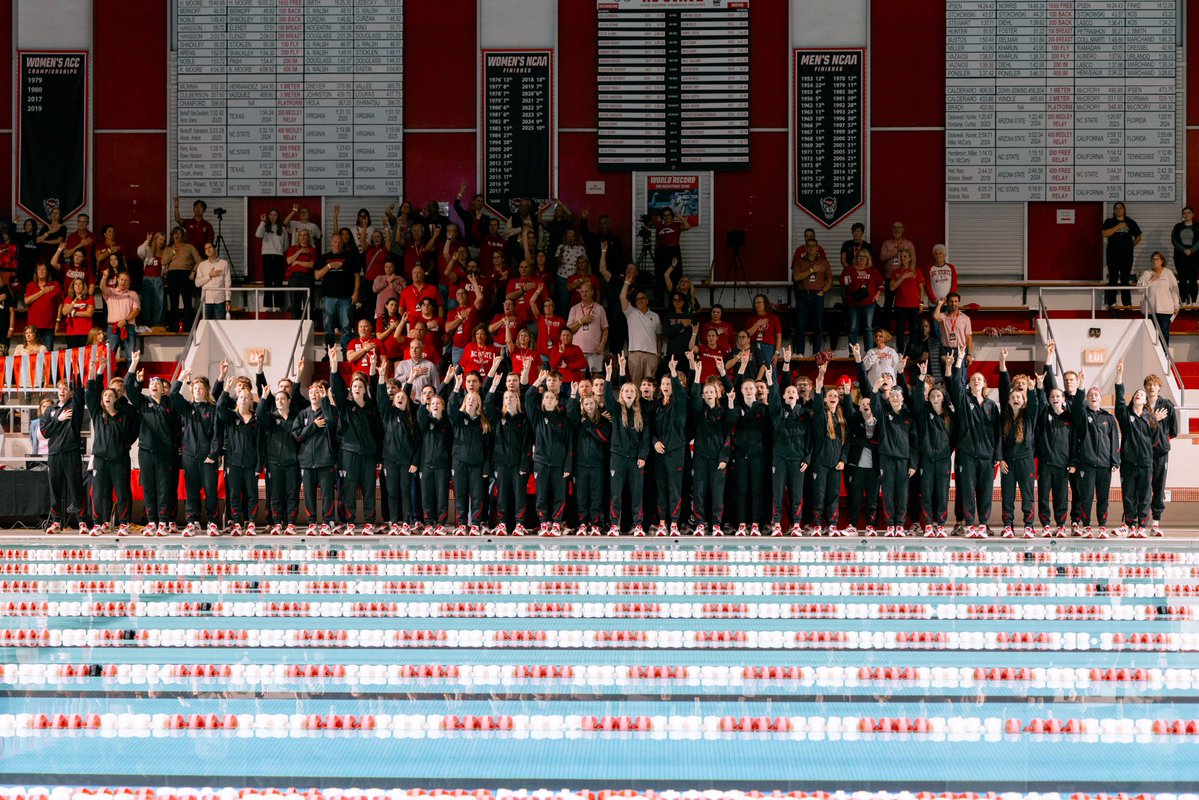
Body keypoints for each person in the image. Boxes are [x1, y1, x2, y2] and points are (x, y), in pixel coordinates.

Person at [327, 346, 382, 534]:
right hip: (348, 454)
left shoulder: (371, 407)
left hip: (368, 454)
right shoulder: (345, 406)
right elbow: (335, 388)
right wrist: (334, 364)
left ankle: (369, 522)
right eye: (355, 386)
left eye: (361, 386)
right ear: (351, 388)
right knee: (348, 489)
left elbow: (376, 388)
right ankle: (349, 521)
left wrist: (373, 366)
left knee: (369, 490)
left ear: (365, 389)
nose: (358, 388)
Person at [948, 348, 1000, 538]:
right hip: (967, 454)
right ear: (969, 384)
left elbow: (997, 433)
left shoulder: (991, 405)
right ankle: (970, 524)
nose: (976, 381)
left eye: (979, 379)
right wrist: (960, 360)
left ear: (984, 384)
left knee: (986, 492)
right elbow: (955, 383)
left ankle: (983, 525)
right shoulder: (963, 401)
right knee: (967, 490)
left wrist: (997, 455)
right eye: (973, 379)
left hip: (986, 455)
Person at [126, 352, 177, 536]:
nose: (154, 385)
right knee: (149, 488)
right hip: (146, 452)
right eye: (151, 383)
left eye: (158, 384)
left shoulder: (170, 405)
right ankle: (152, 522)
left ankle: (163, 521)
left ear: (164, 389)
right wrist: (134, 364)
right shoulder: (143, 403)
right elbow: (128, 387)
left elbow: (177, 429)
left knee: (164, 489)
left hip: (165, 453)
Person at [82, 351, 133, 535]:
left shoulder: (124, 415)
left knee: (122, 493)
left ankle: (124, 524)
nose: (108, 397)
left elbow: (133, 433)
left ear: (116, 399)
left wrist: (123, 447)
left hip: (119, 460)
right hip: (100, 459)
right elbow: (91, 392)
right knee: (98, 493)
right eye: (106, 395)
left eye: (112, 395)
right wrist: (98, 369)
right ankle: (97, 523)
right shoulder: (98, 414)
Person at [172, 363, 224, 537]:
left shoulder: (213, 410)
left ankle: (212, 522)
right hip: (189, 456)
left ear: (206, 391)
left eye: (201, 388)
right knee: (192, 491)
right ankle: (192, 522)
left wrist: (213, 454)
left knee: (210, 492)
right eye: (195, 388)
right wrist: (181, 377)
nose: (197, 391)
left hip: (207, 458)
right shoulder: (188, 409)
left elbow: (218, 435)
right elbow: (172, 394)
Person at [1069, 371, 1120, 538]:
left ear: (1101, 398)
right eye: (1090, 395)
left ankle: (1102, 526)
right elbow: (1076, 405)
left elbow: (1114, 440)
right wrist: (1082, 383)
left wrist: (1115, 460)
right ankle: (1087, 526)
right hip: (1087, 463)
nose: (1093, 397)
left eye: (1096, 395)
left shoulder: (1109, 418)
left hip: (1105, 464)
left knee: (1103, 497)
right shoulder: (1083, 416)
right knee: (1086, 496)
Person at [766, 348, 810, 537]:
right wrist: (774, 375)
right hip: (779, 457)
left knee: (797, 494)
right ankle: (777, 524)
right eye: (788, 391)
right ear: (785, 397)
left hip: (798, 459)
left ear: (798, 396)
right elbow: (774, 392)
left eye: (794, 391)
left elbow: (810, 439)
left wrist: (807, 458)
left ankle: (797, 524)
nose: (791, 392)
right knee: (777, 493)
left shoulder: (804, 414)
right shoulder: (778, 412)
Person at [997, 348, 1040, 538]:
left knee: (1027, 495)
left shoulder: (1029, 415)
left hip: (1025, 460)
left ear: (1024, 401)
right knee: (1007, 495)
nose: (1016, 398)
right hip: (1007, 461)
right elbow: (1004, 385)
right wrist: (1000, 458)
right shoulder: (1004, 416)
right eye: (1013, 396)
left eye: (1019, 397)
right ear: (1009, 399)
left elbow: (1035, 404)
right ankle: (1008, 525)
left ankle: (1028, 525)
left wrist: (1031, 388)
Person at [1114, 361, 1159, 539]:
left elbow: (1155, 441)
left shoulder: (1151, 419)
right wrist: (1119, 375)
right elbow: (1119, 398)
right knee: (1129, 495)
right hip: (1128, 463)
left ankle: (1142, 525)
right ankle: (1130, 524)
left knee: (1145, 495)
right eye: (1137, 394)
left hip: (1146, 463)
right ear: (1133, 399)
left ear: (1146, 400)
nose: (1140, 395)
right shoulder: (1125, 415)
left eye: (1142, 394)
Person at [526, 369, 573, 535]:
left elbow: (569, 444)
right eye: (546, 397)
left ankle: (557, 523)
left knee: (559, 495)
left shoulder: (563, 420)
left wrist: (567, 465)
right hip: (541, 462)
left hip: (559, 464)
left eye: (551, 397)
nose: (548, 399)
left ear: (557, 400)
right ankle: (544, 523)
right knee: (541, 495)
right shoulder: (537, 417)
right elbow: (528, 398)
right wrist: (537, 382)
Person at [729, 351, 770, 534]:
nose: (748, 391)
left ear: (756, 391)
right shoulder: (737, 408)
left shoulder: (763, 409)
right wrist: (743, 365)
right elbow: (730, 421)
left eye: (751, 388)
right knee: (741, 491)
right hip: (741, 454)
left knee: (757, 491)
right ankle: (742, 524)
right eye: (745, 388)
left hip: (758, 455)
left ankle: (755, 524)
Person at [487, 372, 533, 535]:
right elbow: (487, 405)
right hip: (501, 463)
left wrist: (524, 464)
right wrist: (493, 386)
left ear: (517, 400)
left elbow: (528, 444)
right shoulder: (499, 417)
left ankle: (520, 523)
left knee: (520, 495)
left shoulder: (523, 419)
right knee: (502, 495)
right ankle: (502, 523)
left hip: (518, 464)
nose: (509, 400)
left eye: (512, 398)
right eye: (506, 398)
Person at [40, 368, 85, 534]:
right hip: (54, 455)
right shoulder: (50, 411)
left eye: (65, 388)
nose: (62, 391)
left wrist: (76, 374)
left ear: (70, 392)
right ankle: (56, 521)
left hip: (71, 453)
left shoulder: (75, 406)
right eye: (59, 388)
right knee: (55, 489)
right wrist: (58, 420)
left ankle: (81, 521)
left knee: (75, 487)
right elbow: (45, 433)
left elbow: (80, 392)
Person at [912, 359, 953, 537]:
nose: (935, 398)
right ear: (928, 397)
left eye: (938, 395)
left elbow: (954, 436)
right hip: (926, 460)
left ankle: (940, 524)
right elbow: (916, 397)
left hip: (943, 460)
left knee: (942, 494)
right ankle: (928, 524)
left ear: (943, 398)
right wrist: (921, 377)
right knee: (927, 493)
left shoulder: (949, 416)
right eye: (932, 396)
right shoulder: (923, 412)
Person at [1037, 343, 1073, 538]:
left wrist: (1072, 461)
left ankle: (1061, 525)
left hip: (1062, 464)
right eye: (1052, 396)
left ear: (1063, 398)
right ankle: (1046, 526)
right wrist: (1049, 359)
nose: (1055, 398)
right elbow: (1046, 388)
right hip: (1045, 463)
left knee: (1061, 497)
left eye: (1058, 396)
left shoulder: (1069, 417)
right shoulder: (1044, 413)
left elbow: (1075, 441)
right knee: (1043, 497)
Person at [215, 381, 259, 536]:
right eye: (240, 397)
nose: (243, 400)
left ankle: (252, 522)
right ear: (237, 400)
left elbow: (260, 444)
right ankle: (236, 523)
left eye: (246, 397)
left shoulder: (256, 420)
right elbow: (219, 408)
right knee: (233, 494)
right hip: (233, 462)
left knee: (252, 494)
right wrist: (226, 389)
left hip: (250, 463)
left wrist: (259, 464)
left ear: (251, 401)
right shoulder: (231, 417)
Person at [294, 378, 337, 536]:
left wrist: (326, 400)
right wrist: (313, 426)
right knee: (309, 495)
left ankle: (326, 522)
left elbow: (333, 425)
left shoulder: (328, 412)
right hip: (306, 462)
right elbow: (297, 436)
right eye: (311, 392)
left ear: (321, 394)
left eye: (317, 392)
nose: (313, 394)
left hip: (325, 460)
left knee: (327, 494)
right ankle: (312, 522)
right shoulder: (302, 414)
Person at [256, 382, 300, 535]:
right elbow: (259, 414)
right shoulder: (270, 418)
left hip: (292, 463)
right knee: (275, 495)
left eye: (283, 399)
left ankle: (291, 523)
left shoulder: (297, 418)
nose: (279, 401)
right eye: (277, 399)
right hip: (274, 463)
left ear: (289, 401)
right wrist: (263, 397)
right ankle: (277, 523)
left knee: (292, 494)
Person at [448, 372, 489, 533]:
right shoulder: (458, 419)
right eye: (469, 399)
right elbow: (451, 406)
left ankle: (476, 524)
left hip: (477, 464)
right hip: (459, 462)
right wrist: (457, 386)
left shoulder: (483, 423)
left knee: (477, 496)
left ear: (479, 404)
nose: (471, 401)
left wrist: (485, 466)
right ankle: (462, 524)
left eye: (475, 399)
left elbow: (487, 447)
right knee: (461, 494)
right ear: (465, 402)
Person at [571, 391, 611, 535]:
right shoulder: (578, 421)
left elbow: (603, 438)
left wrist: (588, 425)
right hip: (581, 465)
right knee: (581, 496)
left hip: (597, 465)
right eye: (586, 404)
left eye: (591, 403)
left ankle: (595, 523)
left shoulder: (603, 421)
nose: (589, 406)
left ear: (596, 404)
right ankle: (582, 523)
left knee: (596, 496)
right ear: (582, 406)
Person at [416, 385, 453, 532]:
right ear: (429, 407)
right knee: (426, 496)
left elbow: (450, 446)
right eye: (433, 403)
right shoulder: (425, 421)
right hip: (426, 465)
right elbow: (420, 415)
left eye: (438, 403)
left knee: (442, 496)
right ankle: (429, 523)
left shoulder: (447, 424)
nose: (435, 405)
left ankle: (441, 524)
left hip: (442, 465)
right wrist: (424, 403)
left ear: (443, 407)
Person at [316, 236, 358, 351]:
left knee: (346, 327)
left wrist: (356, 293)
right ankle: (329, 351)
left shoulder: (350, 257)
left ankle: (346, 351)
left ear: (342, 244)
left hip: (346, 297)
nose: (337, 244)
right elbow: (317, 275)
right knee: (328, 327)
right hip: (328, 297)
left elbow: (357, 276)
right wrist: (330, 266)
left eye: (339, 242)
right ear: (331, 243)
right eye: (335, 242)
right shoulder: (324, 258)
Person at [792, 243, 832, 356]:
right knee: (800, 325)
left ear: (817, 248)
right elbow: (796, 277)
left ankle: (816, 352)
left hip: (817, 295)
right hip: (803, 294)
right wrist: (811, 270)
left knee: (818, 325)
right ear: (806, 248)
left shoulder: (823, 262)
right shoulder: (799, 261)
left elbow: (830, 280)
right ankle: (800, 352)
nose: (811, 248)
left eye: (813, 246)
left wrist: (823, 291)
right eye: (808, 246)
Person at [621, 276, 662, 386]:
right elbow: (622, 298)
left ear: (647, 300)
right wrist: (627, 282)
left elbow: (659, 337)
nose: (640, 300)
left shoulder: (655, 316)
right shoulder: (631, 312)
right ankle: (637, 404)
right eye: (637, 299)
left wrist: (658, 355)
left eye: (642, 298)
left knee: (650, 385)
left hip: (652, 355)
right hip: (635, 354)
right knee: (635, 385)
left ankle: (649, 403)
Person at [1102, 201, 1142, 308]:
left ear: (1124, 210)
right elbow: (1105, 234)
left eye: (1120, 208)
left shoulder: (1130, 222)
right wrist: (1118, 227)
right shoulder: (1109, 221)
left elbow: (1139, 236)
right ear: (1114, 211)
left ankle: (1127, 304)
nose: (1118, 210)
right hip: (1113, 255)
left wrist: (1130, 246)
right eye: (1116, 208)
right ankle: (1112, 303)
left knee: (1125, 279)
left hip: (1126, 256)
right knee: (1113, 278)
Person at [1137, 251, 1180, 349]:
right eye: (1153, 259)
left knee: (1164, 332)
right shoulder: (1147, 274)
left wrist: (1176, 305)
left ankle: (1164, 354)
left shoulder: (1168, 273)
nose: (1155, 261)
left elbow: (1174, 290)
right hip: (1150, 310)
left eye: (1157, 259)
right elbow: (1139, 288)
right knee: (1151, 333)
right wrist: (1152, 280)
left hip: (1165, 309)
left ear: (1162, 261)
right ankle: (1153, 353)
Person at [162, 227, 201, 333]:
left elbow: (199, 260)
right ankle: (173, 327)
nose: (177, 235)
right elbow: (163, 261)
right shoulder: (168, 248)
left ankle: (189, 327)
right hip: (172, 275)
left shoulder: (189, 247)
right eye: (175, 233)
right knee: (173, 302)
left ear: (183, 235)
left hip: (186, 274)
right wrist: (173, 252)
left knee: (187, 301)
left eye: (179, 233)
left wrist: (193, 272)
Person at [842, 250, 882, 348]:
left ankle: (869, 351)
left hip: (869, 303)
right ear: (856, 258)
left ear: (868, 259)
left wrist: (877, 295)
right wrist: (857, 276)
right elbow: (843, 282)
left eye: (864, 257)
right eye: (859, 256)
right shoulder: (849, 269)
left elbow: (881, 285)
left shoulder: (872, 270)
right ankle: (853, 352)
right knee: (853, 327)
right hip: (853, 303)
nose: (861, 259)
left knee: (868, 328)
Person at [566, 281, 609, 373]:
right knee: (579, 378)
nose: (584, 294)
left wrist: (602, 345)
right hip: (578, 350)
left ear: (592, 292)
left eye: (587, 291)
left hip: (595, 350)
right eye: (582, 292)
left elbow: (605, 329)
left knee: (595, 379)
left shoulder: (600, 308)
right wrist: (581, 321)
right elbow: (568, 330)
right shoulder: (574, 309)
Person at [933, 293, 973, 387]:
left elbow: (969, 338)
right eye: (951, 301)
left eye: (955, 301)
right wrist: (940, 303)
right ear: (947, 302)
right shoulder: (943, 316)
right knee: (947, 378)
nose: (953, 303)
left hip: (961, 351)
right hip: (946, 351)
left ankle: (960, 400)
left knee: (961, 379)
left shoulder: (965, 318)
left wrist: (970, 354)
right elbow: (935, 316)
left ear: (959, 302)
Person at [100, 268, 140, 362]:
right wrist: (104, 277)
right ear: (117, 280)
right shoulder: (111, 292)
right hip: (112, 327)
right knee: (108, 356)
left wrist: (125, 321)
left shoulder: (133, 294)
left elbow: (136, 310)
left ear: (129, 282)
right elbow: (102, 287)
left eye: (126, 280)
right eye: (121, 279)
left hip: (128, 326)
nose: (123, 282)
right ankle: (108, 377)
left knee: (131, 357)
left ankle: (131, 377)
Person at [652, 208, 691, 304]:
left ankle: (676, 299)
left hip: (673, 251)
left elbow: (688, 226)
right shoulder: (659, 227)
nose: (667, 217)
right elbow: (657, 243)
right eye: (665, 215)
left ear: (672, 216)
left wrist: (681, 217)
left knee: (676, 276)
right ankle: (659, 300)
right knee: (660, 276)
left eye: (669, 215)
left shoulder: (676, 225)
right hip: (661, 252)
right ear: (662, 217)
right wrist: (655, 254)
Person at [889, 248, 924, 353]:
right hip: (900, 305)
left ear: (909, 258)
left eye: (904, 256)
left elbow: (921, 288)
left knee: (913, 330)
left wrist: (921, 303)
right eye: (901, 256)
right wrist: (903, 277)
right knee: (900, 330)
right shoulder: (895, 272)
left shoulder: (916, 271)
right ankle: (900, 352)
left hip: (913, 305)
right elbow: (892, 288)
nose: (902, 258)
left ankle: (911, 352)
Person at [256, 209, 289, 311]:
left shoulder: (282, 229)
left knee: (278, 281)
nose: (273, 217)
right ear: (268, 216)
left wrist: (278, 251)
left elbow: (286, 245)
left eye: (275, 215)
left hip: (278, 256)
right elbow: (257, 235)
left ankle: (278, 306)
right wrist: (262, 221)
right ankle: (269, 306)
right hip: (266, 256)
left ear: (278, 217)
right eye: (271, 215)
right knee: (268, 281)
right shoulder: (265, 227)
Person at [24, 261, 63, 350]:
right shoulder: (31, 285)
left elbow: (60, 303)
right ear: (36, 272)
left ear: (47, 272)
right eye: (39, 269)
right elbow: (27, 300)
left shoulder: (55, 285)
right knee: (33, 351)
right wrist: (42, 291)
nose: (41, 271)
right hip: (33, 326)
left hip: (49, 325)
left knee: (47, 352)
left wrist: (58, 320)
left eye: (44, 269)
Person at [136, 232, 166, 330]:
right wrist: (147, 241)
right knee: (146, 302)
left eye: (163, 240)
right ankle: (146, 324)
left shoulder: (165, 252)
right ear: (156, 239)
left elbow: (166, 268)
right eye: (160, 239)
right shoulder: (148, 250)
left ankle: (157, 324)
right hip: (147, 279)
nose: (162, 242)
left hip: (158, 279)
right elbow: (139, 252)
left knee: (159, 303)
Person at [195, 242, 231, 321]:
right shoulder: (202, 265)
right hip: (206, 300)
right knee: (207, 325)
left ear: (214, 249)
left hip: (220, 300)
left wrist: (228, 300)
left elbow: (227, 283)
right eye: (206, 248)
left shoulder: (224, 263)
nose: (208, 249)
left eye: (210, 247)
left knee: (221, 325)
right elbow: (197, 283)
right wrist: (209, 276)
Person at [1170, 206, 1199, 306]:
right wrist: (1184, 250)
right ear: (1182, 215)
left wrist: (1192, 250)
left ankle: (1194, 301)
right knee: (1182, 279)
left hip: (1194, 256)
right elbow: (1174, 240)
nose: (1186, 215)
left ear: (1192, 214)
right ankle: (1184, 300)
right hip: (1180, 257)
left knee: (1193, 279)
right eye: (1185, 213)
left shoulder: (1197, 226)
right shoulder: (1177, 226)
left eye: (1189, 213)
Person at [745, 294, 782, 367]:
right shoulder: (751, 319)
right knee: (754, 372)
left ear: (765, 303)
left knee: (770, 371)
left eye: (759, 302)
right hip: (754, 346)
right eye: (755, 303)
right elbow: (746, 335)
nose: (757, 305)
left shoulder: (773, 317)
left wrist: (776, 353)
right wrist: (757, 324)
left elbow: (779, 336)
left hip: (768, 347)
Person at [59, 277, 95, 348]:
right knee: (73, 356)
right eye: (76, 284)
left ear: (83, 286)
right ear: (73, 287)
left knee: (84, 355)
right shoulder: (68, 298)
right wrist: (73, 302)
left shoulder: (89, 298)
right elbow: (64, 312)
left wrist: (74, 313)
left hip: (85, 331)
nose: (78, 286)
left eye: (80, 284)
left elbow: (89, 313)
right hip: (71, 332)